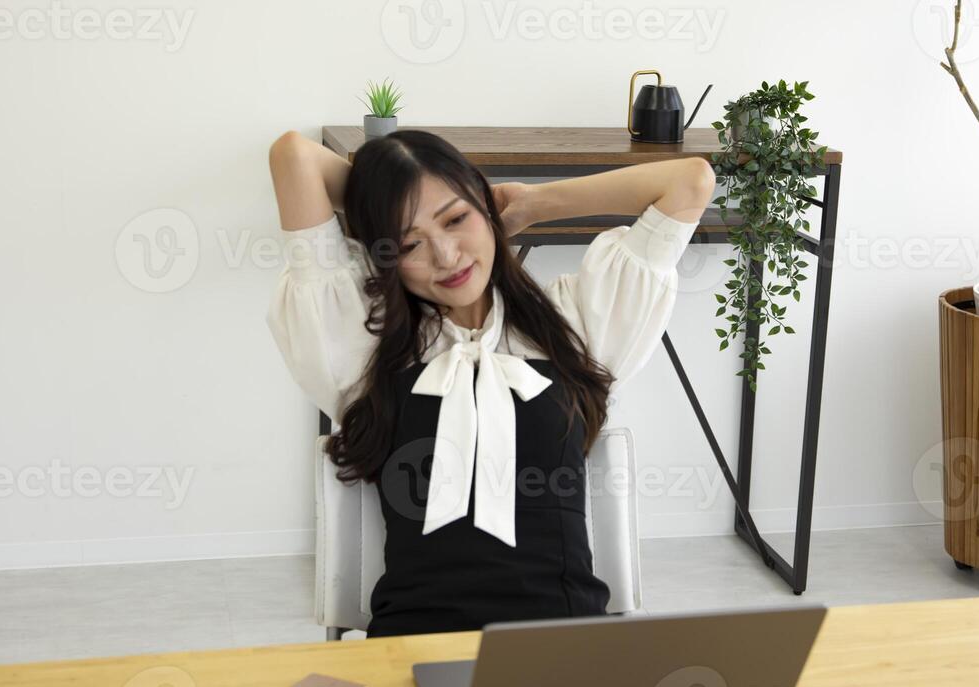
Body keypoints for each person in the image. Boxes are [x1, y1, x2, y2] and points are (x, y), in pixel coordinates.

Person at [265, 129, 714, 638]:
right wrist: (380, 196)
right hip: (413, 650)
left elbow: (690, 180)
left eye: (457, 219)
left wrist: (532, 204)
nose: (446, 255)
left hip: (567, 652)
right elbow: (294, 157)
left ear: (484, 205)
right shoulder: (358, 342)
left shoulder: (576, 322)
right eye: (409, 242)